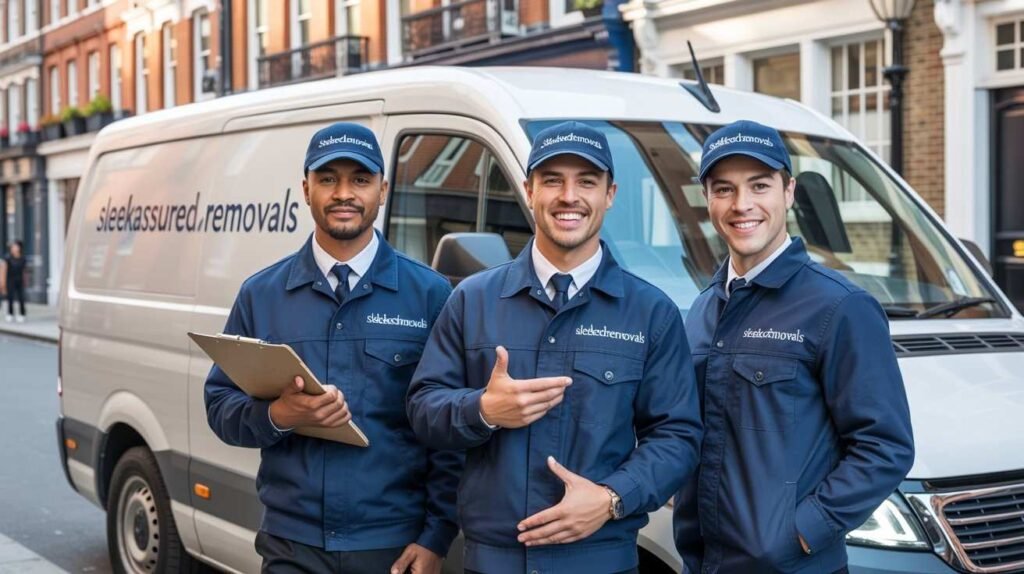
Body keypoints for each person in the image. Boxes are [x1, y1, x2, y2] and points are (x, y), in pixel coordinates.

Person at [407, 121, 703, 574]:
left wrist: (611, 499)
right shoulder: (472, 300)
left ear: (610, 194)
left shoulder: (650, 312)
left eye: (586, 181)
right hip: (493, 561)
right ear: (529, 191)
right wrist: (482, 410)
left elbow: (678, 437)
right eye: (552, 181)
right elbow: (423, 410)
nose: (569, 196)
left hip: (601, 559)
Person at [205, 122, 460, 574]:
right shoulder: (262, 294)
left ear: (382, 190)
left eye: (360, 180)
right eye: (328, 179)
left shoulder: (430, 295)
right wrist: (278, 416)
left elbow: (447, 433)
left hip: (393, 545)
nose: (344, 193)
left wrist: (436, 537)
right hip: (292, 543)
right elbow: (220, 406)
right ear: (306, 189)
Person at [673, 120, 915, 574]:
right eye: (723, 189)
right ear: (707, 199)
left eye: (759, 186)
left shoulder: (839, 306)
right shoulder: (704, 309)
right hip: (703, 563)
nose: (741, 205)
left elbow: (886, 446)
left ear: (788, 191)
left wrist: (802, 530)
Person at [3, 240, 27, 323]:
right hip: (10, 280)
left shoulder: (23, 258)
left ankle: (22, 314)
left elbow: (24, 271)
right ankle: (10, 314)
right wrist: (3, 283)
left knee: (21, 298)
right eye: (12, 247)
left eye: (15, 246)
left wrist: (25, 281)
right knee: (10, 298)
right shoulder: (8, 258)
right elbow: (4, 270)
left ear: (19, 248)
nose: (13, 248)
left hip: (19, 280)